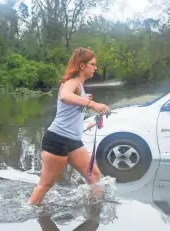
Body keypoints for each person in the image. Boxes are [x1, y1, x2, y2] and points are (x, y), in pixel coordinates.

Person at [29, 47, 110, 205]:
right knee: (45, 185)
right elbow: (65, 96)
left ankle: (95, 211)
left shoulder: (80, 86)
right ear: (82, 65)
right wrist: (91, 104)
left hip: (73, 142)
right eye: (92, 64)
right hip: (57, 140)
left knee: (94, 175)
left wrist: (94, 121)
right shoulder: (71, 82)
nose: (95, 68)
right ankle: (29, 212)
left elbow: (72, 117)